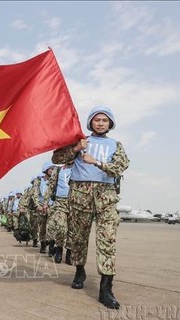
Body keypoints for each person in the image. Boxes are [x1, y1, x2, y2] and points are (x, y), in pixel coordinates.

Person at [52, 105, 129, 309]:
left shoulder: (116, 145)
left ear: (110, 123)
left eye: (105, 120)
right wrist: (76, 149)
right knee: (78, 237)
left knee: (107, 239)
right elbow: (57, 158)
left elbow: (120, 167)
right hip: (80, 196)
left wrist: (97, 162)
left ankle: (106, 288)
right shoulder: (80, 141)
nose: (101, 123)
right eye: (97, 120)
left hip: (106, 197)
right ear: (90, 122)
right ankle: (79, 270)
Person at [43, 162, 73, 264]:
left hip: (75, 202)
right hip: (60, 201)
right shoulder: (59, 169)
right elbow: (51, 186)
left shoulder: (79, 167)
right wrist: (46, 202)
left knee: (73, 229)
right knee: (61, 227)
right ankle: (59, 248)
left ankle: (69, 252)